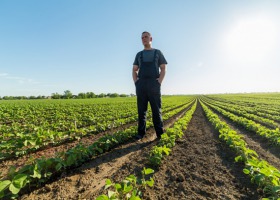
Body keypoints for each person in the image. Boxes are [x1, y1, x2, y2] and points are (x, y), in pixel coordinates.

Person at [132, 31, 167, 140]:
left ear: (151, 39)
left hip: (154, 85)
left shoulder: (158, 52)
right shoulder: (139, 54)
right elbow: (134, 70)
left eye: (146, 37)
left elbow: (163, 68)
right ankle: (140, 133)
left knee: (156, 111)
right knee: (141, 111)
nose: (144, 39)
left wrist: (159, 82)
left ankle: (160, 133)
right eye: (142, 37)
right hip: (141, 85)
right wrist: (136, 83)